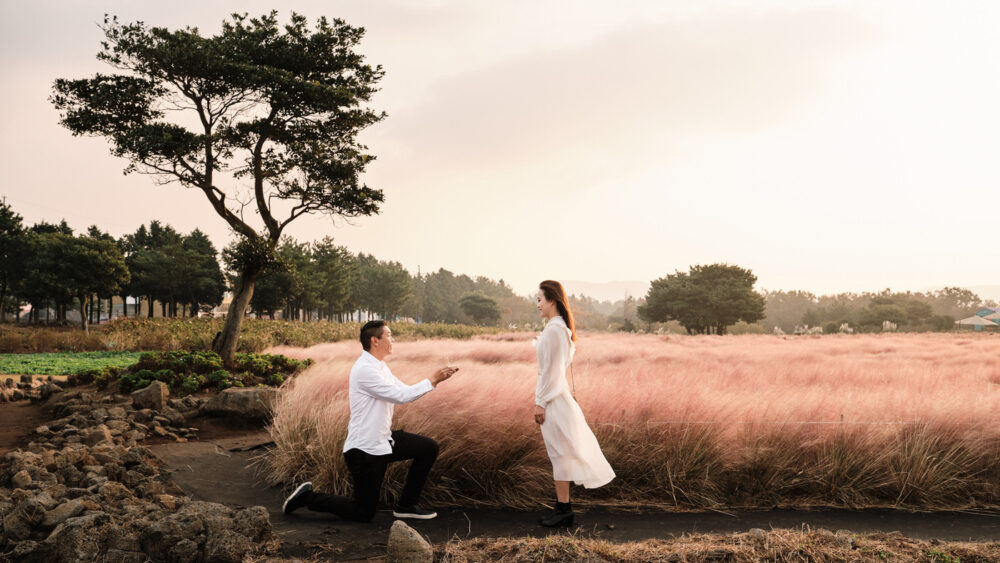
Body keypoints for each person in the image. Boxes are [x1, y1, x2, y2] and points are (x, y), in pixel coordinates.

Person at [282, 320, 458, 521]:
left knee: (428, 448)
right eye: (389, 335)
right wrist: (433, 380)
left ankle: (406, 505)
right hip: (364, 450)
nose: (393, 339)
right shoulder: (365, 370)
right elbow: (400, 396)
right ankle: (307, 497)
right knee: (363, 512)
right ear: (375, 340)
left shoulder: (380, 367)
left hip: (383, 441)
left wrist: (433, 381)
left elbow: (403, 390)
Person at [534, 280, 615, 527]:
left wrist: (539, 402)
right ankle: (563, 508)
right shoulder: (556, 328)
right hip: (555, 398)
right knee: (561, 455)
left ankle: (564, 510)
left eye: (539, 299)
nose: (537, 304)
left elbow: (552, 372)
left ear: (552, 300)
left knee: (560, 455)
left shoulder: (556, 330)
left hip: (554, 401)